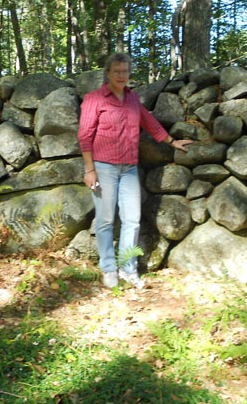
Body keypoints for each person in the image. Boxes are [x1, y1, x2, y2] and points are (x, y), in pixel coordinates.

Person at [77, 52, 192, 289]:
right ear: (107, 73)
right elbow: (85, 135)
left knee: (132, 219)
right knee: (106, 220)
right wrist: (90, 170)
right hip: (103, 167)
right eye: (117, 71)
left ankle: (128, 269)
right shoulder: (94, 99)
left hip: (129, 168)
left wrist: (171, 141)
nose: (121, 75)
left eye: (125, 71)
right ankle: (109, 268)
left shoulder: (132, 98)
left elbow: (148, 121)